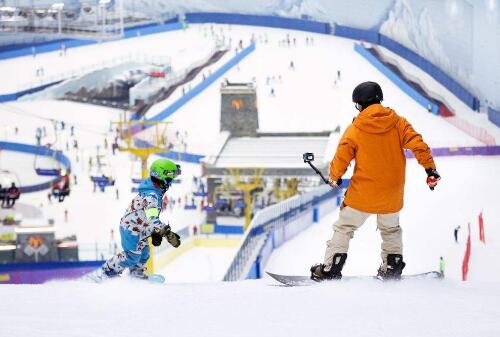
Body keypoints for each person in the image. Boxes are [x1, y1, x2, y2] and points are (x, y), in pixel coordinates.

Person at [310, 81, 441, 281]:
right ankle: (392, 266)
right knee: (391, 230)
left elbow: (341, 157)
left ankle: (331, 268)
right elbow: (419, 144)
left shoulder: (355, 129)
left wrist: (334, 177)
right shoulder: (398, 123)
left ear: (360, 104)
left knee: (344, 228)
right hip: (391, 194)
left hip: (362, 194)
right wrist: (430, 169)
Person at [100, 159, 182, 280]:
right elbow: (153, 219)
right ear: (162, 178)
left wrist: (153, 231)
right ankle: (106, 271)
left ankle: (136, 274)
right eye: (170, 179)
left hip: (140, 228)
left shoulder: (154, 191)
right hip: (131, 229)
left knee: (144, 254)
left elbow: (147, 217)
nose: (170, 183)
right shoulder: (151, 197)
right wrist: (166, 233)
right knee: (131, 256)